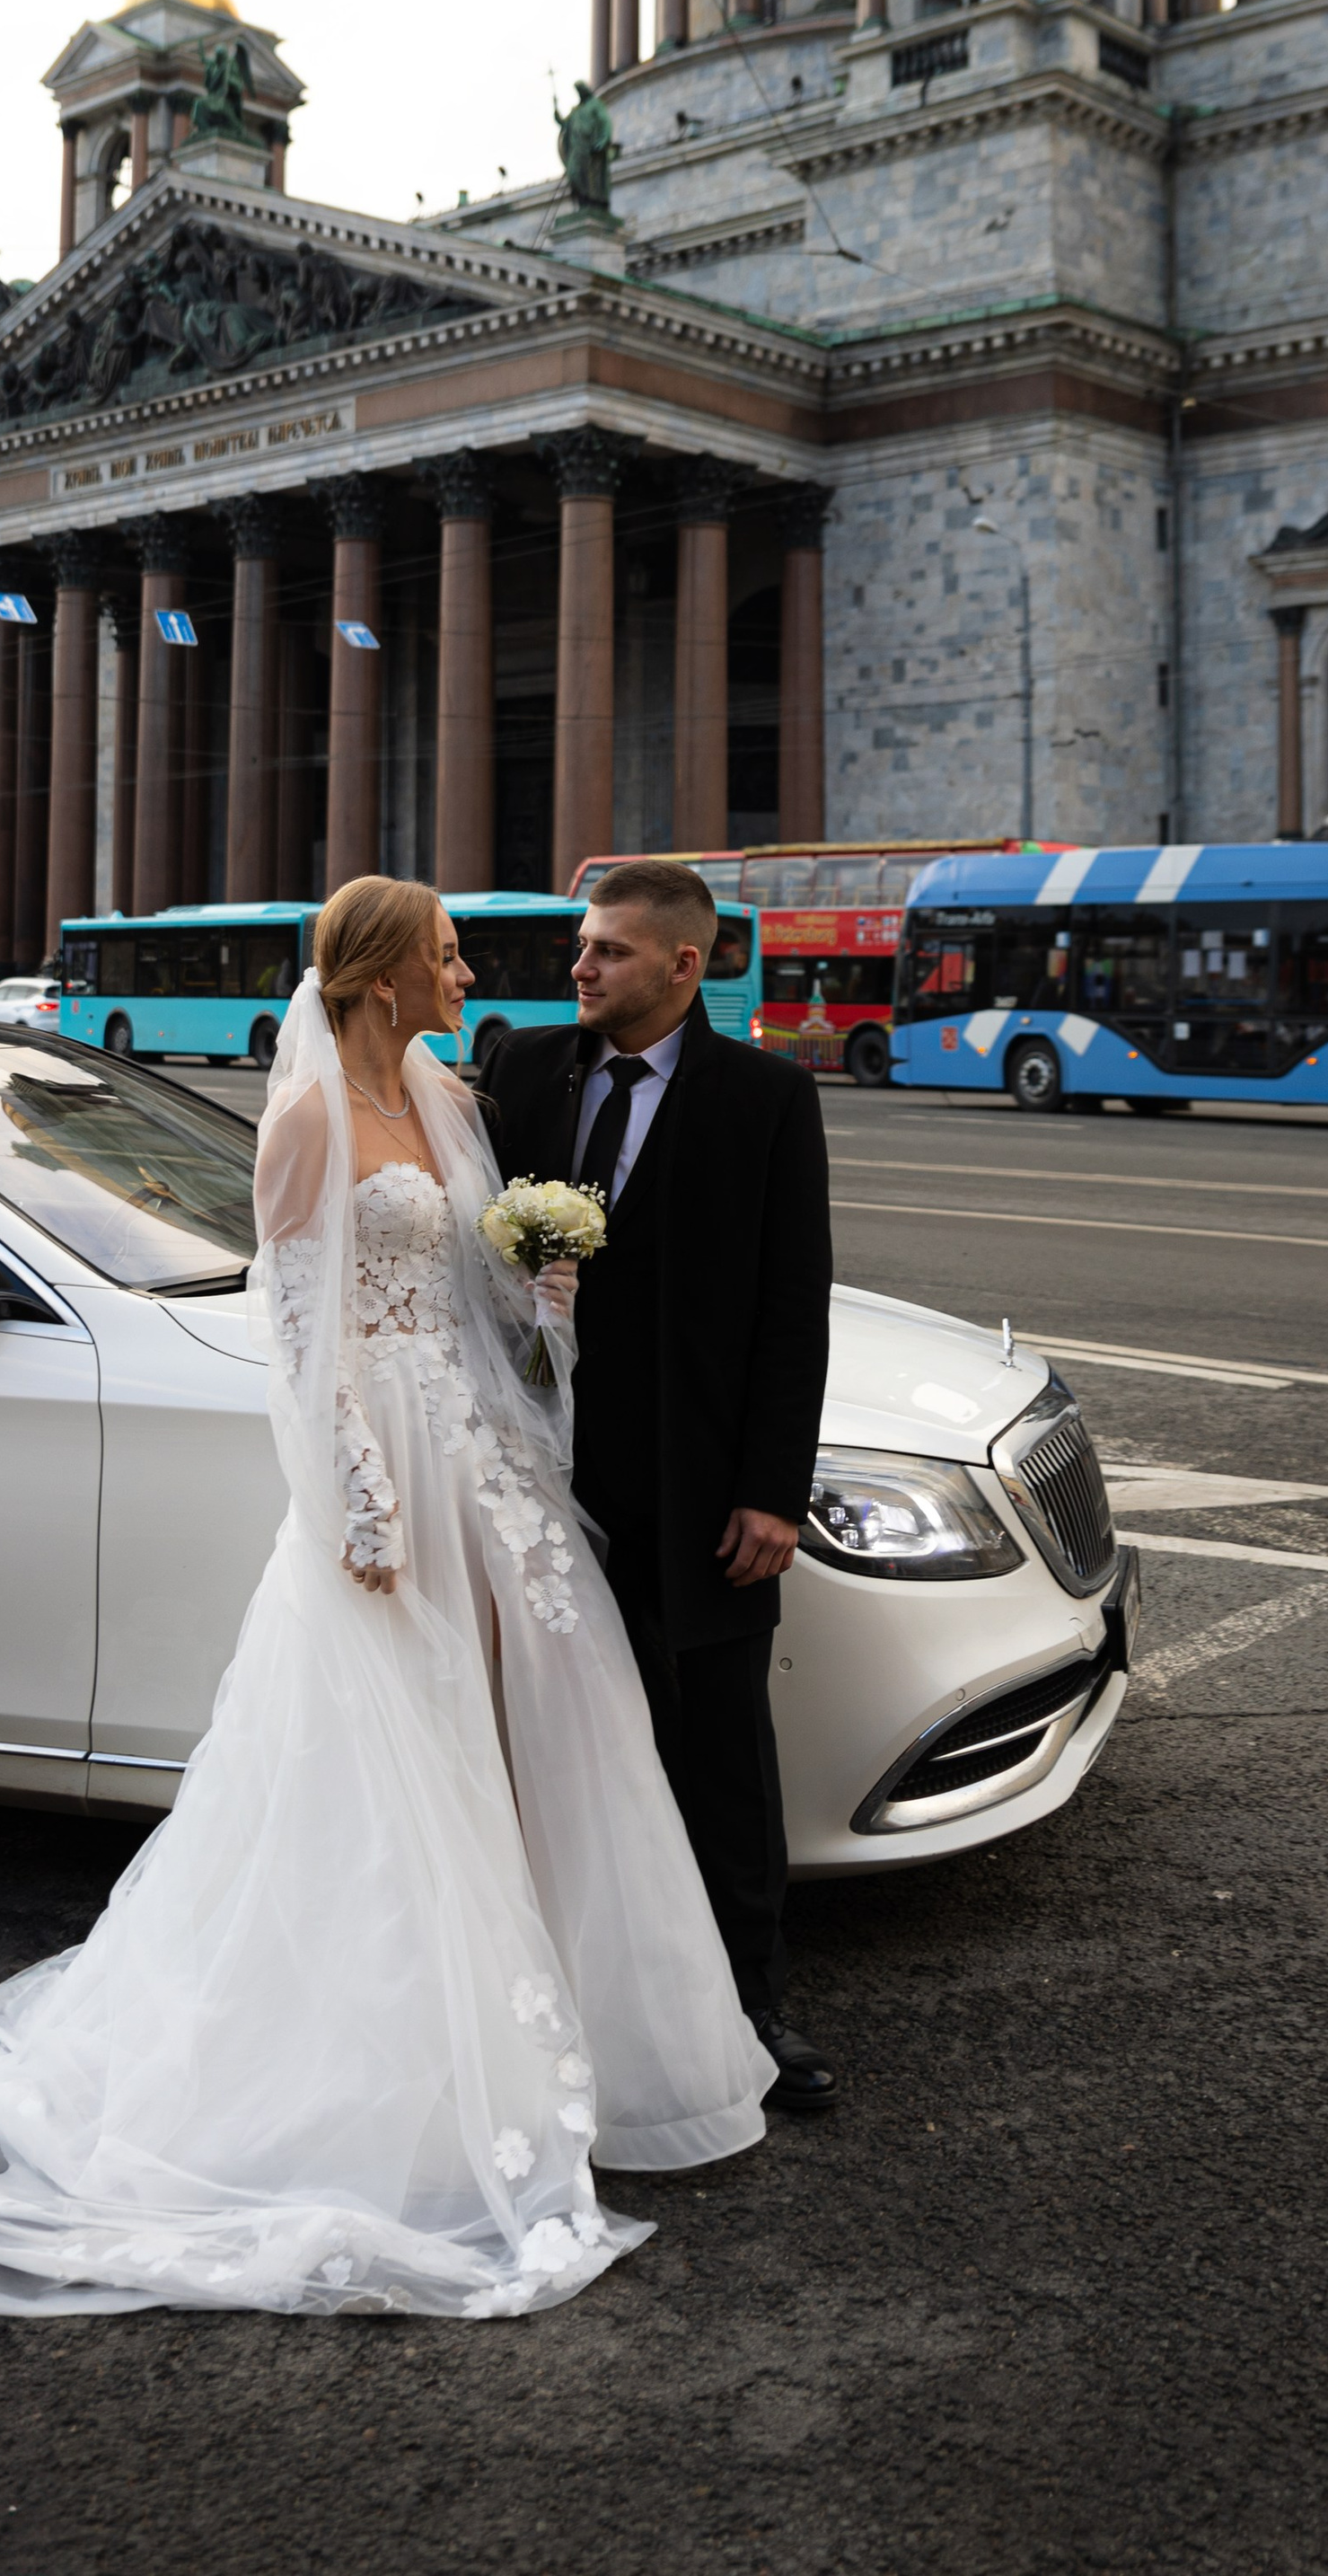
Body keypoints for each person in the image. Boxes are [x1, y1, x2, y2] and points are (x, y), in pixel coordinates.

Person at [0, 878, 772, 2323]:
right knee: (401, 1769)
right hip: (388, 1464)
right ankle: (409, 2074)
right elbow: (302, 1331)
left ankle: (585, 2048)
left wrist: (543, 1312)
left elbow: (465, 1287)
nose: (476, 972)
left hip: (478, 1445)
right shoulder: (302, 1122)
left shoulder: (442, 1092)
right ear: (391, 971)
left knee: (552, 1725)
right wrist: (363, 1498)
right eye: (452, 953)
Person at [485, 861, 838, 2110]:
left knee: (720, 1750)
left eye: (613, 952)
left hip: (698, 1496)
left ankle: (751, 2010)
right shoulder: (523, 1068)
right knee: (562, 1745)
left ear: (687, 965)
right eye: (584, 946)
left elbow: (794, 1313)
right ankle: (575, 2004)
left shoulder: (768, 1099)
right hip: (538, 1480)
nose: (582, 967)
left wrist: (772, 1491)